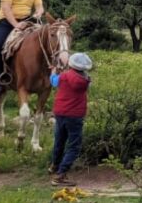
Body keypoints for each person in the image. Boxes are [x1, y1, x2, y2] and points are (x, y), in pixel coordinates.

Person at [49, 52, 92, 186]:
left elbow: (53, 81)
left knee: (59, 141)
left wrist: (53, 71)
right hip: (75, 116)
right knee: (74, 146)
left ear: (71, 64)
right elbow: (80, 78)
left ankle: (54, 166)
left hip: (60, 113)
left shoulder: (64, 76)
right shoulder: (85, 81)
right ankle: (61, 174)